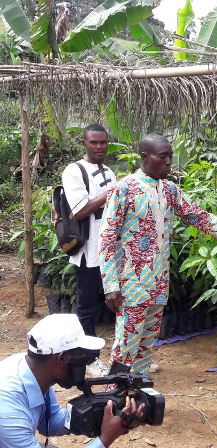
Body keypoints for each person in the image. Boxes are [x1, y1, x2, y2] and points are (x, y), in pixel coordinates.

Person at [98, 134, 217, 375]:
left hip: (158, 284)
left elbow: (200, 218)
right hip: (131, 287)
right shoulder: (124, 189)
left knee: (146, 350)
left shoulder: (170, 190)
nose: (170, 161)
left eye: (170, 156)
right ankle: (115, 400)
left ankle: (137, 400)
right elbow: (106, 239)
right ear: (145, 157)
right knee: (126, 348)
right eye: (163, 156)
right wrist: (110, 284)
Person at [0, 314, 144, 448]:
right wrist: (105, 439)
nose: (84, 365)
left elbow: (50, 423)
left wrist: (102, 411)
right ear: (61, 358)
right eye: (82, 358)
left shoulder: (33, 371)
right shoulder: (7, 405)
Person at [61, 124, 116, 376]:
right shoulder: (74, 171)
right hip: (89, 252)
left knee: (118, 302)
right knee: (87, 306)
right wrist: (112, 192)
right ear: (84, 143)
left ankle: (124, 357)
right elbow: (80, 210)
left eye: (103, 142)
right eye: (94, 142)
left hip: (112, 251)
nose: (99, 147)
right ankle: (90, 358)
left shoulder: (109, 172)